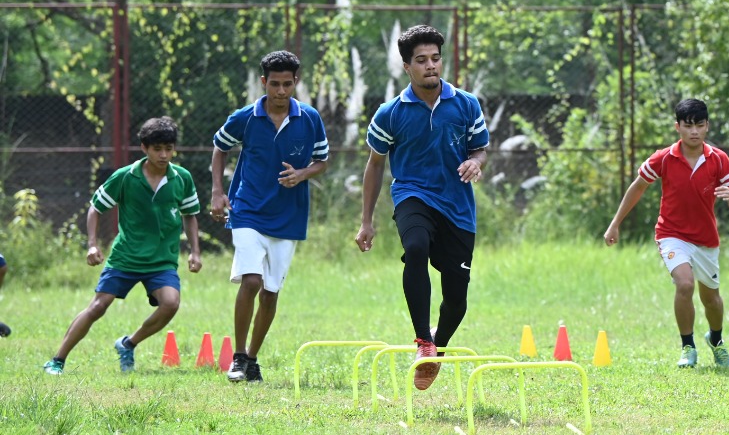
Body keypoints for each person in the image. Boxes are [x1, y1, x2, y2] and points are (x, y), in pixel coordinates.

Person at [355, 25, 489, 390]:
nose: (430, 65)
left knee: (456, 299)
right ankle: (423, 341)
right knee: (415, 248)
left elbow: (480, 149)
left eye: (435, 58)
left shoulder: (466, 104)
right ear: (406, 67)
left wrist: (475, 161)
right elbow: (375, 165)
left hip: (457, 207)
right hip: (412, 195)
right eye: (421, 60)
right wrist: (366, 221)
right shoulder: (390, 113)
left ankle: (437, 346)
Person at [42, 117, 203, 374]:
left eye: (169, 148)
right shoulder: (125, 177)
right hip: (126, 257)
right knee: (98, 307)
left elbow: (190, 215)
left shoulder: (182, 178)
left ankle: (128, 343)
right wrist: (92, 245)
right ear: (144, 148)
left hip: (162, 260)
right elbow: (95, 208)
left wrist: (195, 251)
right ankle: (57, 360)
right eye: (157, 149)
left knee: (171, 303)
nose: (164, 155)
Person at [210, 50, 331, 383]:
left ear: (296, 82)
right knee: (251, 280)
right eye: (274, 84)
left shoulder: (309, 118)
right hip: (247, 208)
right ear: (264, 82)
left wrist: (302, 174)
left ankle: (252, 359)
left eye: (287, 84)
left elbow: (322, 161)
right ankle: (237, 357)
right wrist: (217, 191)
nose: (280, 91)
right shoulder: (245, 117)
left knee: (271, 292)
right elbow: (220, 148)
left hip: (288, 215)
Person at [604, 98, 729, 368]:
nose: (694, 132)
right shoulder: (664, 158)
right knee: (685, 284)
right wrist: (615, 223)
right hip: (672, 234)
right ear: (677, 127)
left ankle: (716, 340)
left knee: (711, 299)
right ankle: (688, 347)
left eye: (699, 125)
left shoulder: (719, 159)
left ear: (707, 126)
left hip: (706, 239)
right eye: (688, 126)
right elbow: (638, 186)